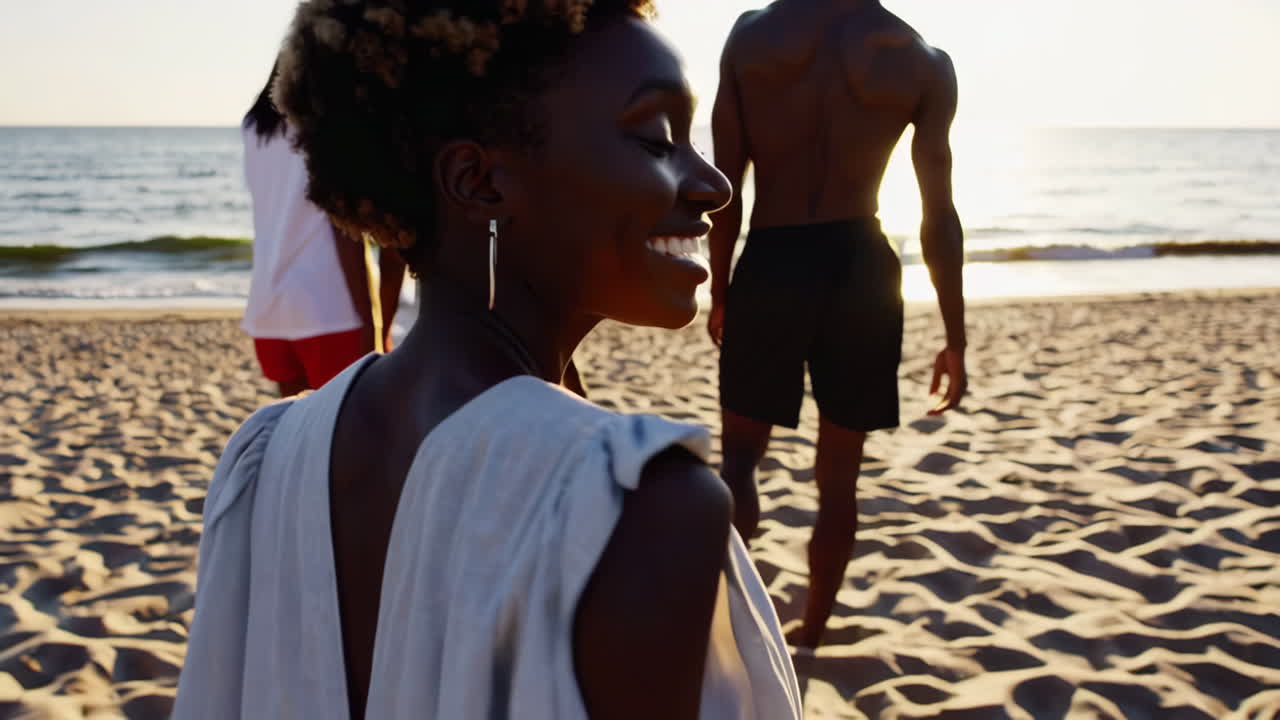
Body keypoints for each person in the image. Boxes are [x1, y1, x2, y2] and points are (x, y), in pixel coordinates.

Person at [173, 2, 803, 719]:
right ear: (478, 182)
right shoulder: (643, 509)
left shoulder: (267, 457)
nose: (715, 186)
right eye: (657, 138)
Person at [707, 0, 968, 650]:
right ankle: (812, 633)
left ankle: (732, 623)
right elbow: (939, 212)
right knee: (840, 476)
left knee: (739, 457)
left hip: (773, 257)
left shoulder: (753, 35)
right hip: (862, 269)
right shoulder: (922, 60)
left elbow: (725, 183)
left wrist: (722, 286)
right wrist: (954, 337)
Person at [241, 62, 406, 397]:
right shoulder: (328, 127)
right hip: (330, 308)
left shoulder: (254, 126)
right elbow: (344, 230)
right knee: (350, 422)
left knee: (299, 424)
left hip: (269, 307)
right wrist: (371, 324)